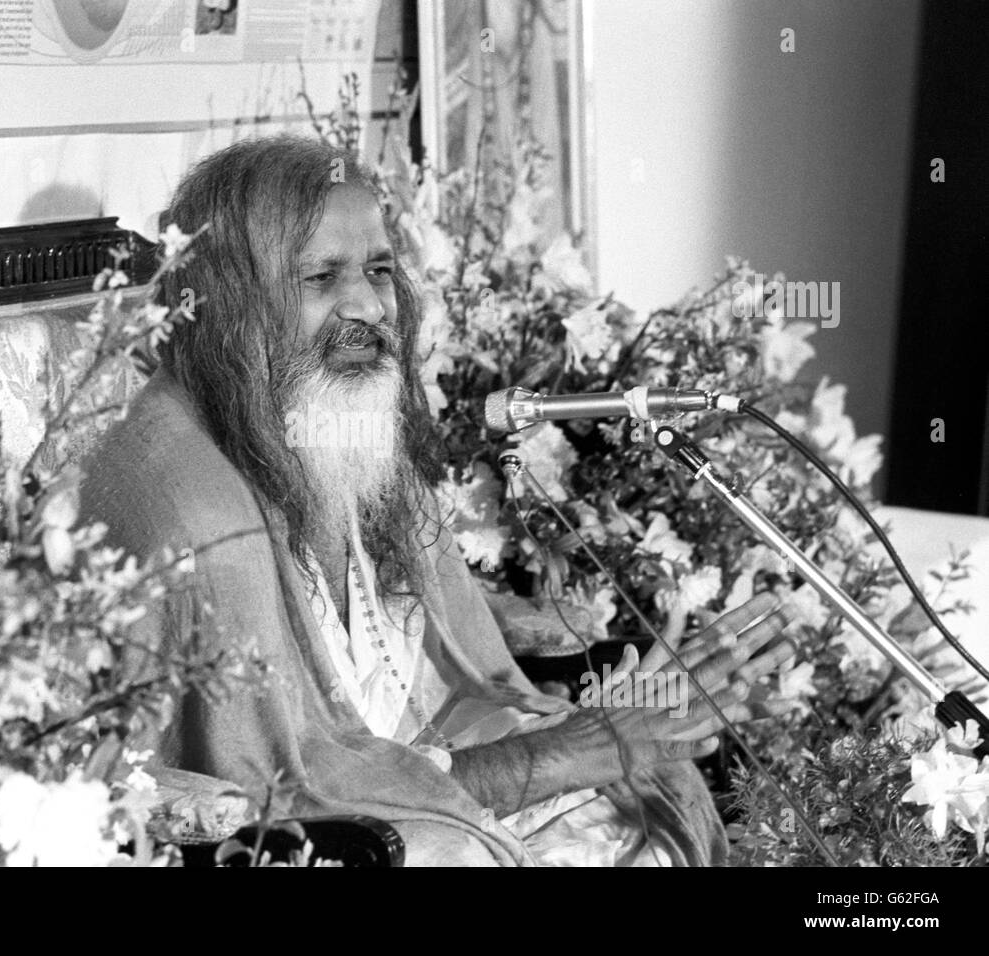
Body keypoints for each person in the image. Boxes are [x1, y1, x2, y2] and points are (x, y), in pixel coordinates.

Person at [80, 135, 797, 866]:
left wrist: (613, 730)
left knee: (653, 784)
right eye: (321, 276)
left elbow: (425, 681)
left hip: (415, 781)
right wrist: (578, 750)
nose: (367, 304)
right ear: (232, 308)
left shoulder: (346, 434)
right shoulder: (194, 517)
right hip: (349, 837)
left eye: (380, 270)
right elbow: (281, 798)